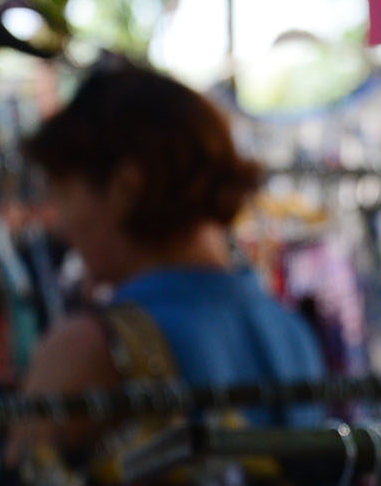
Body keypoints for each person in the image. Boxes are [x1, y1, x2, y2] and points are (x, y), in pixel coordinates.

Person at [20, 62, 324, 429]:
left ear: (125, 187)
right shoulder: (292, 332)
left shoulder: (90, 352)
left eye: (65, 194)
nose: (62, 224)